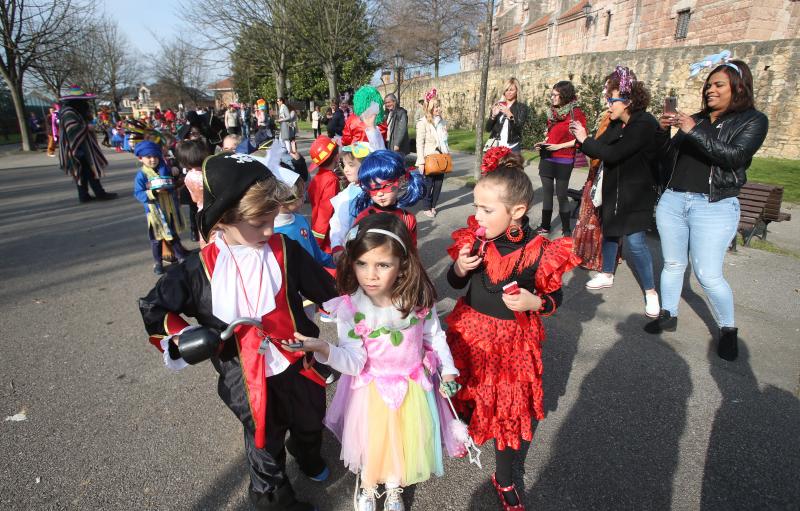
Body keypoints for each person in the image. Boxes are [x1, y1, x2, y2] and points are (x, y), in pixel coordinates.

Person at [138, 153, 338, 511]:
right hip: (242, 375)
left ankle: (306, 450)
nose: (269, 231)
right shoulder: (197, 270)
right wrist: (183, 337)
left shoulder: (285, 251)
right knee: (264, 440)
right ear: (224, 218)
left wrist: (371, 309)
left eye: (272, 219)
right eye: (259, 222)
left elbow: (329, 292)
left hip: (298, 361)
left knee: (311, 420)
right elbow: (154, 307)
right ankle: (273, 500)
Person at [282, 213, 462, 511]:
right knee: (372, 442)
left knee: (402, 442)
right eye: (362, 263)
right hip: (371, 390)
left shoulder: (417, 299)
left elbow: (434, 336)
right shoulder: (352, 308)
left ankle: (392, 486)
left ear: (403, 264)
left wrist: (449, 370)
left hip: (412, 387)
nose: (371, 275)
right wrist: (322, 347)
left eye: (382, 265)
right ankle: (367, 482)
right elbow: (353, 362)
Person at [446, 147, 579, 511]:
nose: (477, 216)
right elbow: (455, 284)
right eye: (475, 207)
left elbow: (555, 298)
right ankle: (464, 432)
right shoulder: (474, 241)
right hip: (469, 332)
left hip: (511, 344)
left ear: (517, 211)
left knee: (507, 410)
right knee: (465, 390)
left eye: (486, 210)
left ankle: (503, 477)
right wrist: (459, 267)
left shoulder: (539, 251)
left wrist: (535, 303)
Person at [645, 59, 768, 362]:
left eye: (719, 85)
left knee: (708, 274)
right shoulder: (697, 118)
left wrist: (693, 130)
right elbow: (662, 158)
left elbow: (734, 157)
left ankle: (727, 329)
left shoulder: (753, 120)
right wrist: (663, 132)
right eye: (709, 85)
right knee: (673, 264)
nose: (710, 90)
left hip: (713, 205)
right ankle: (668, 313)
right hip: (674, 200)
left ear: (738, 88)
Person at [570, 66, 660, 318]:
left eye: (612, 99)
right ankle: (607, 273)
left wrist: (586, 139)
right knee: (610, 232)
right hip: (613, 189)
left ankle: (651, 292)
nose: (608, 104)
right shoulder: (617, 123)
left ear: (628, 100)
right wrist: (583, 139)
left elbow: (614, 154)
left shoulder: (644, 123)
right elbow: (598, 149)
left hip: (636, 192)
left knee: (635, 241)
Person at [535, 81, 587, 236]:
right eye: (552, 94)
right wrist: (544, 143)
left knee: (562, 194)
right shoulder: (552, 113)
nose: (553, 97)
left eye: (556, 95)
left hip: (564, 159)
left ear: (565, 95)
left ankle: (566, 230)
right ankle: (545, 226)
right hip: (547, 157)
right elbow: (551, 134)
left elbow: (580, 139)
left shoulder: (575, 113)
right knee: (547, 194)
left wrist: (558, 147)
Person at [132, 141, 188, 274]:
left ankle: (181, 257)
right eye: (148, 157)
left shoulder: (165, 169)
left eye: (155, 156)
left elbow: (174, 180)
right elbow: (138, 194)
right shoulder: (141, 176)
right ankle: (158, 262)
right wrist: (153, 192)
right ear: (140, 158)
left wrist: (175, 171)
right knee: (157, 239)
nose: (152, 160)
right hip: (154, 213)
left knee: (173, 234)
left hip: (169, 209)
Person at [58, 85, 118, 203]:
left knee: (85, 172)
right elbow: (72, 129)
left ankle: (85, 195)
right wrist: (87, 127)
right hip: (76, 147)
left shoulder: (74, 111)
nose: (86, 103)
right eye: (83, 100)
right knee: (87, 170)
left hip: (81, 147)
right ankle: (97, 193)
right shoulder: (68, 112)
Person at [352, 150, 425, 246]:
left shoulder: (407, 219)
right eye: (372, 189)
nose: (379, 194)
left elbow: (412, 249)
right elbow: (353, 247)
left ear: (401, 180)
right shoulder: (363, 217)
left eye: (386, 186)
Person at [329, 142, 371, 258]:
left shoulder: (375, 192)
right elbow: (338, 222)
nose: (346, 169)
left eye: (351, 165)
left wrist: (371, 130)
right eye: (344, 164)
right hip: (350, 251)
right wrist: (336, 245)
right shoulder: (348, 192)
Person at [415, 89, 450, 218]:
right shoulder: (422, 122)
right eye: (435, 106)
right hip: (429, 157)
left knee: (439, 184)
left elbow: (445, 141)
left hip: (441, 156)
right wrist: (421, 162)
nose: (438, 108)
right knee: (428, 184)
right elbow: (420, 143)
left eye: (439, 106)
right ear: (429, 107)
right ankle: (426, 207)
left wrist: (447, 153)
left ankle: (433, 205)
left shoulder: (442, 122)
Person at [307, 135, 342, 253]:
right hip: (325, 238)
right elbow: (325, 212)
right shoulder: (331, 180)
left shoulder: (317, 177)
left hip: (316, 226)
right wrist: (317, 244)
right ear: (337, 157)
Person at [174, 138, 209, 244]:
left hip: (201, 209)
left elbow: (194, 198)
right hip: (213, 209)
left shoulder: (188, 176)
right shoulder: (206, 174)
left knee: (205, 238)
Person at [486, 77, 528, 153]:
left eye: (511, 90)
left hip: (512, 148)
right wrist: (493, 116)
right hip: (495, 147)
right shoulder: (498, 105)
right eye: (506, 90)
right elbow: (488, 129)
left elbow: (518, 130)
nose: (508, 92)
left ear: (517, 91)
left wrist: (510, 115)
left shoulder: (522, 108)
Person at [341, 85, 388, 150]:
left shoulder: (352, 119)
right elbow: (384, 138)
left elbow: (345, 140)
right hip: (377, 154)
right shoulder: (381, 120)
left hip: (358, 156)